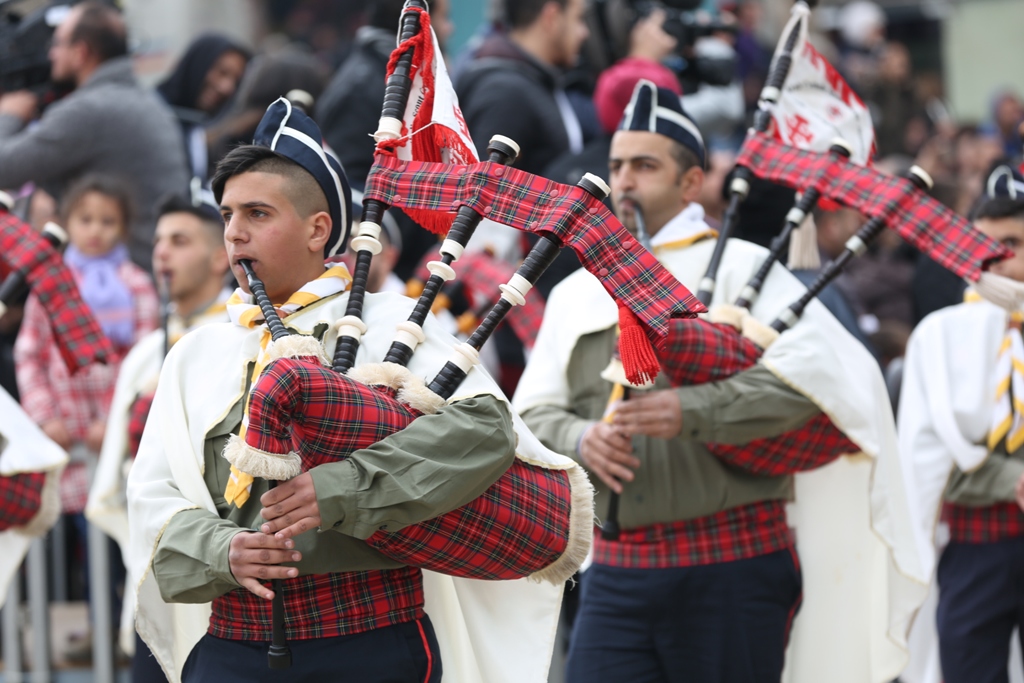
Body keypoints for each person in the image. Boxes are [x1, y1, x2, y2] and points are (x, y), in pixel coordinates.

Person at [127, 100, 588, 683]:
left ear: (319, 228)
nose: (235, 232)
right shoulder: (198, 355)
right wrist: (224, 551)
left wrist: (341, 488)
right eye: (226, 215)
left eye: (258, 213)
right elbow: (152, 497)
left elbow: (483, 431)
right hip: (232, 648)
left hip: (370, 642)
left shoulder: (394, 324)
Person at [514, 80, 921, 682]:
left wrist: (693, 411)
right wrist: (580, 440)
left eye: (644, 166)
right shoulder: (577, 291)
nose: (623, 180)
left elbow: (819, 394)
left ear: (690, 183)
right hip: (616, 572)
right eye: (617, 165)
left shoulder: (746, 270)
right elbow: (533, 416)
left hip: (733, 565)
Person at [86, 188, 231, 683]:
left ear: (220, 257)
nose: (162, 251)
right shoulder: (148, 352)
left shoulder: (241, 342)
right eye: (160, 240)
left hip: (222, 570)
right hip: (156, 559)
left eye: (181, 240)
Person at [15, 172, 159, 657]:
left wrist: (116, 424)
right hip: (66, 440)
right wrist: (44, 417)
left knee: (121, 531)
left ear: (122, 228)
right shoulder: (48, 287)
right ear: (66, 223)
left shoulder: (136, 285)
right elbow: (29, 355)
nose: (95, 230)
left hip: (114, 443)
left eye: (107, 221)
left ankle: (132, 630)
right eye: (85, 219)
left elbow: (144, 361)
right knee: (82, 534)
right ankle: (101, 626)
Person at [899, 180, 1024, 683]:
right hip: (977, 544)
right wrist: (1006, 481)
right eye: (982, 246)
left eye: (1011, 245)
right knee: (967, 669)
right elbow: (923, 456)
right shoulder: (939, 334)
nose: (994, 261)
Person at [0, 2, 189, 272]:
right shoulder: (143, 100)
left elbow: (4, 167)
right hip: (148, 271)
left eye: (57, 43)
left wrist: (9, 114)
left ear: (80, 53)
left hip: (121, 285)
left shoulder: (89, 110)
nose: (50, 54)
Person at [316, 0, 454, 189]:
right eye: (443, 17)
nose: (450, 28)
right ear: (417, 20)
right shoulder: (361, 89)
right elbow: (349, 187)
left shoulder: (403, 78)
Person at [457, 0, 590, 177]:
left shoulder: (533, 81)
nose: (584, 32)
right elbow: (481, 190)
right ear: (552, 16)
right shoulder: (505, 94)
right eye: (578, 18)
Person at [157, 34, 251, 181]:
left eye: (236, 81)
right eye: (222, 72)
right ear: (197, 64)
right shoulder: (152, 114)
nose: (227, 88)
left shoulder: (200, 130)